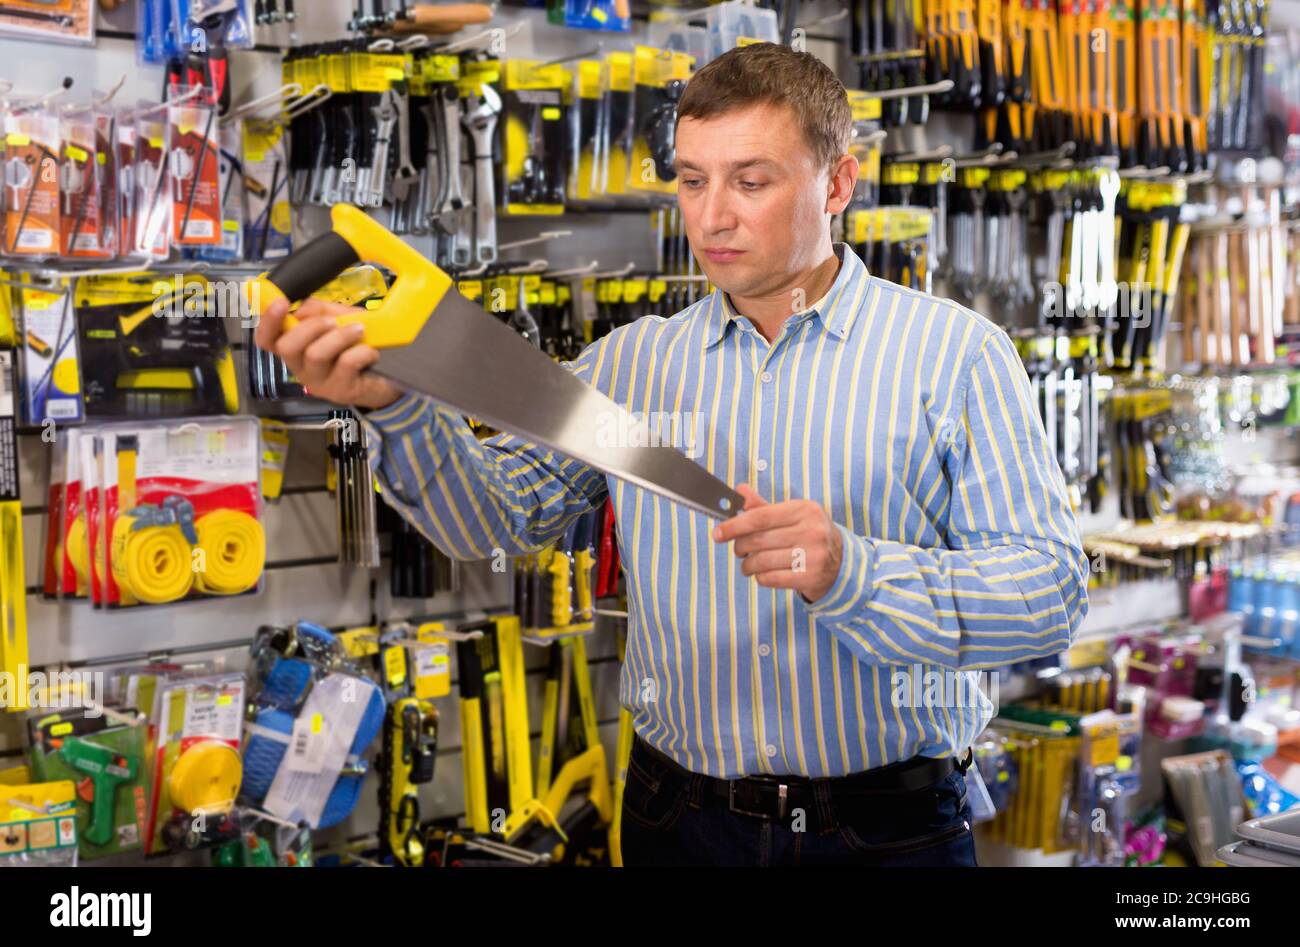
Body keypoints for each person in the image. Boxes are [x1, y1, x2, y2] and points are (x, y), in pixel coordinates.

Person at [254, 43, 1088, 867]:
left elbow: (1048, 591)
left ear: (837, 183)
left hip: (885, 823)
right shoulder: (632, 365)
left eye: (750, 181)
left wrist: (854, 574)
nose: (711, 215)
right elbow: (492, 519)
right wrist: (396, 403)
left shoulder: (953, 355)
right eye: (692, 180)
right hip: (678, 819)